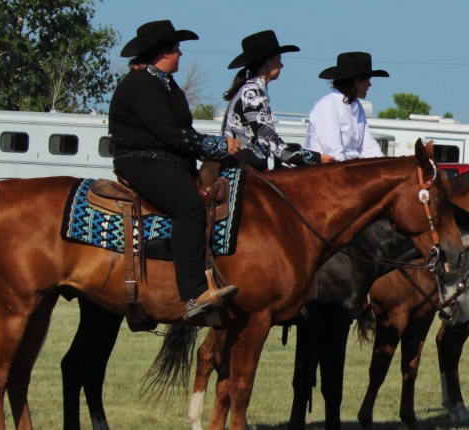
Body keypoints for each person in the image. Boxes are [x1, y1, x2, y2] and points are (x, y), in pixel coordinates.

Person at [109, 20, 241, 319]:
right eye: (176, 49)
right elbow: (168, 132)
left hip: (167, 160)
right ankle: (194, 294)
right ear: (162, 53)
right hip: (143, 160)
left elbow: (180, 130)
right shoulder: (143, 85)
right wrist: (217, 146)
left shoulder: (163, 83)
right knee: (190, 206)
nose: (181, 54)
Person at [222, 30, 330, 169]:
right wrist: (316, 158)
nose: (282, 65)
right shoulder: (253, 94)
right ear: (268, 62)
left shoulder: (250, 90)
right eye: (279, 60)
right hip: (243, 166)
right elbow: (273, 144)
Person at [308, 52, 388, 161]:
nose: (370, 85)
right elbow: (334, 153)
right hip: (325, 173)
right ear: (357, 81)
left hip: (347, 168)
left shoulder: (358, 107)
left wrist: (385, 165)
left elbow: (369, 147)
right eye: (368, 80)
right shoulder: (327, 105)